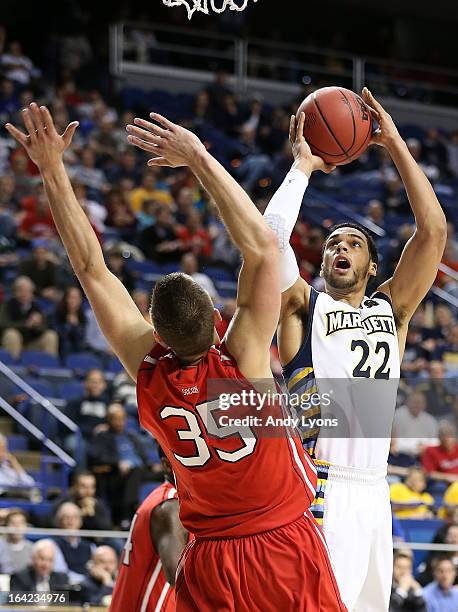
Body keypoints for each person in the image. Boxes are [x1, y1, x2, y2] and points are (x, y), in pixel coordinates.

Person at [6, 103, 345, 610]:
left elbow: (90, 267)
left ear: (156, 331)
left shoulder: (147, 372)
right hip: (282, 544)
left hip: (209, 556)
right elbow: (263, 248)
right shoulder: (245, 360)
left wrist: (52, 169)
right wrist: (198, 157)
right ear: (215, 319)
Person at [261, 88, 447, 611]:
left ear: (371, 268)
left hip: (374, 490)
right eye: (331, 244)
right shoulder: (302, 307)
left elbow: (433, 231)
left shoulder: (394, 309)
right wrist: (301, 167)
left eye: (353, 243)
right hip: (323, 488)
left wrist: (395, 146)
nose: (339, 248)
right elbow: (269, 243)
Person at [110, 446, 188, 611]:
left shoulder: (168, 498)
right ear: (167, 465)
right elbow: (178, 577)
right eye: (189, 458)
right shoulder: (170, 506)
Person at [90, 403, 155, 527]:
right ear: (109, 419)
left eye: (122, 419)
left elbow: (143, 456)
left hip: (141, 470)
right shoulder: (103, 436)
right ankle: (128, 512)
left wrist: (152, 465)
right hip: (116, 473)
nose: (120, 422)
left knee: (171, 472)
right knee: (134, 472)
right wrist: (117, 462)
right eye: (116, 419)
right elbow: (97, 457)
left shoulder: (131, 436)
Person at [0, 275, 59, 359]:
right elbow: (3, 324)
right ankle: (14, 367)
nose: (25, 294)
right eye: (21, 290)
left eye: (28, 291)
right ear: (16, 292)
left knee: (51, 335)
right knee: (12, 334)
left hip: (31, 343)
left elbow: (45, 327)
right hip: (12, 342)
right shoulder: (7, 305)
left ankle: (48, 368)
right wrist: (26, 324)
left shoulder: (36, 307)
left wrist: (37, 324)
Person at [393, 391, 439, 457]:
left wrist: (425, 447)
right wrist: (415, 447)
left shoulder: (430, 420)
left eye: (420, 402)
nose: (417, 405)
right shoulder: (397, 416)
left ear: (425, 404)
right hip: (401, 456)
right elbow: (394, 443)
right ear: (407, 402)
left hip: (425, 455)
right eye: (415, 402)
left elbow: (436, 442)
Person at [0, 509, 33, 573]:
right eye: (13, 523)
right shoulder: (0, 545)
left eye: (21, 523)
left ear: (26, 526)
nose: (17, 527)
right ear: (6, 525)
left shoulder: (32, 548)